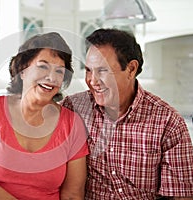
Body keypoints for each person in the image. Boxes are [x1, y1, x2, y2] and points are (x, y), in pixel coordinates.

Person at [61, 28, 193, 199]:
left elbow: (181, 195)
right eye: (88, 70)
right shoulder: (73, 108)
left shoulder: (168, 122)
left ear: (131, 69)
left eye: (103, 70)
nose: (92, 81)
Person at [0, 32, 89, 200]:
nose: (51, 77)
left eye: (59, 71)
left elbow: (72, 195)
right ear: (22, 71)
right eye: (43, 66)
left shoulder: (72, 124)